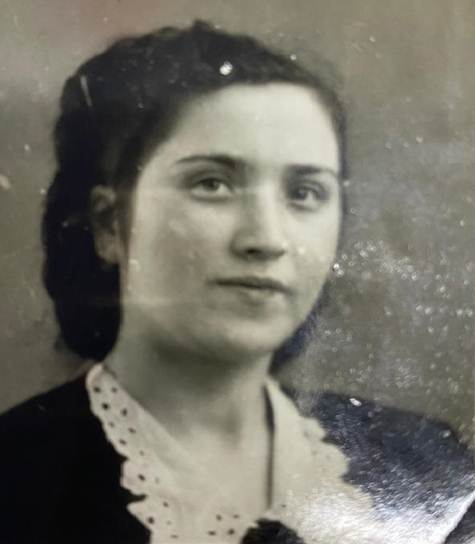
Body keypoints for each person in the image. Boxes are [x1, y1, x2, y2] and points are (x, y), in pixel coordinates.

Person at [0, 20, 473, 544]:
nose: (266, 239)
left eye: (304, 192)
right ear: (110, 225)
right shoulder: (16, 480)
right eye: (212, 184)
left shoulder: (426, 463)